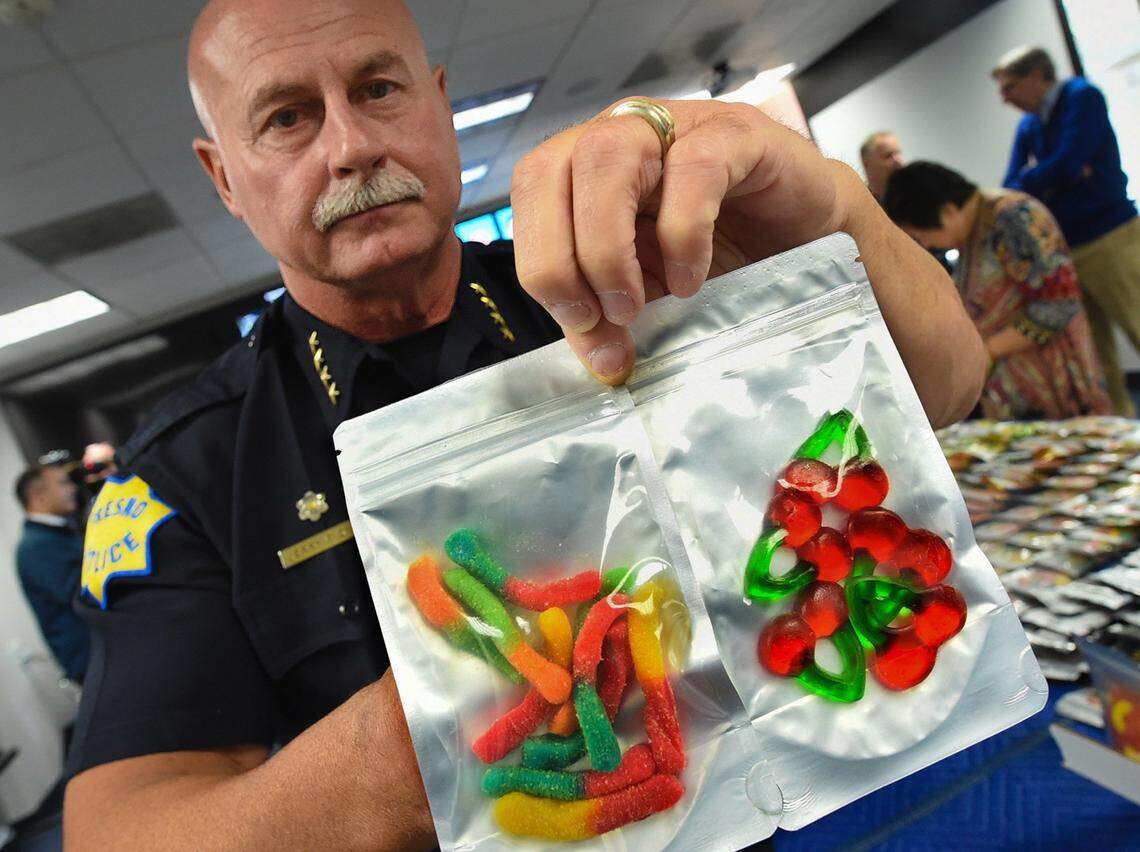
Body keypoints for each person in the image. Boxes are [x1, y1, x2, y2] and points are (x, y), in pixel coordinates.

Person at [62, 0, 987, 847]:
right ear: (224, 175)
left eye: (378, 88)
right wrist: (434, 736)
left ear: (436, 102)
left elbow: (948, 382)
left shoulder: (624, 277)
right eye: (287, 116)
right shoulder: (187, 470)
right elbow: (120, 830)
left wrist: (830, 202)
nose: (349, 146)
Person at [884, 162, 1111, 420]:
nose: (925, 245)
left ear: (947, 211)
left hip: (1058, 382)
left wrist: (989, 349)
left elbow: (1058, 304)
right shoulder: (975, 231)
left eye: (919, 236)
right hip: (1021, 389)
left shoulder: (1011, 216)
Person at [993, 45, 1140, 416]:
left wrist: (1046, 177)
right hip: (1068, 252)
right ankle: (1125, 445)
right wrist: (1056, 178)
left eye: (1009, 88)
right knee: (1098, 360)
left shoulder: (1081, 96)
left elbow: (1069, 160)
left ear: (1036, 76)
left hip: (1110, 237)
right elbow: (1012, 186)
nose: (1005, 100)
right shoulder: (1029, 124)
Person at [14, 465, 89, 684]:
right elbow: (83, 594)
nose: (72, 489)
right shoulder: (37, 546)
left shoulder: (59, 534)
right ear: (37, 495)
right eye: (63, 483)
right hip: (95, 659)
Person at [860, 130, 904, 202]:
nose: (898, 161)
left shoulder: (914, 197)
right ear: (866, 163)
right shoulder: (855, 204)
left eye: (898, 154)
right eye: (888, 156)